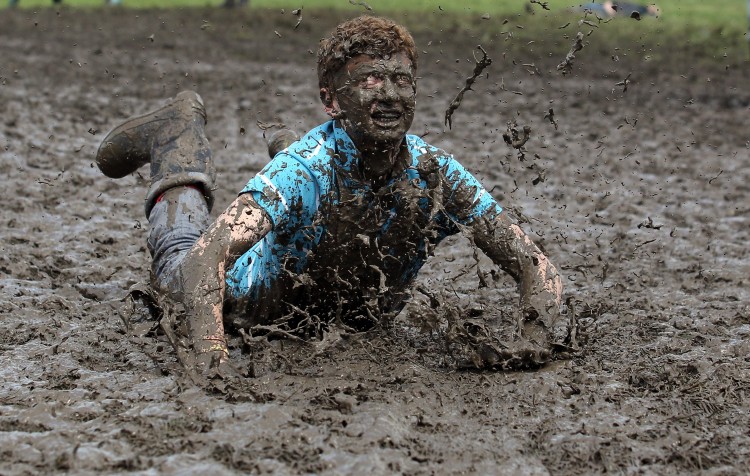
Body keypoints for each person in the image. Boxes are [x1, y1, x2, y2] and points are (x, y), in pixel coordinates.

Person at [95, 16, 564, 376]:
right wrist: (213, 357)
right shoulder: (307, 170)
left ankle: (283, 154)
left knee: (313, 187)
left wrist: (534, 341)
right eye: (370, 81)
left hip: (328, 283)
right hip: (244, 303)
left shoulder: (437, 175)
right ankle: (175, 142)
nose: (390, 96)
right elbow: (206, 259)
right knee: (177, 260)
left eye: (401, 81)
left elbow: (533, 264)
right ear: (331, 100)